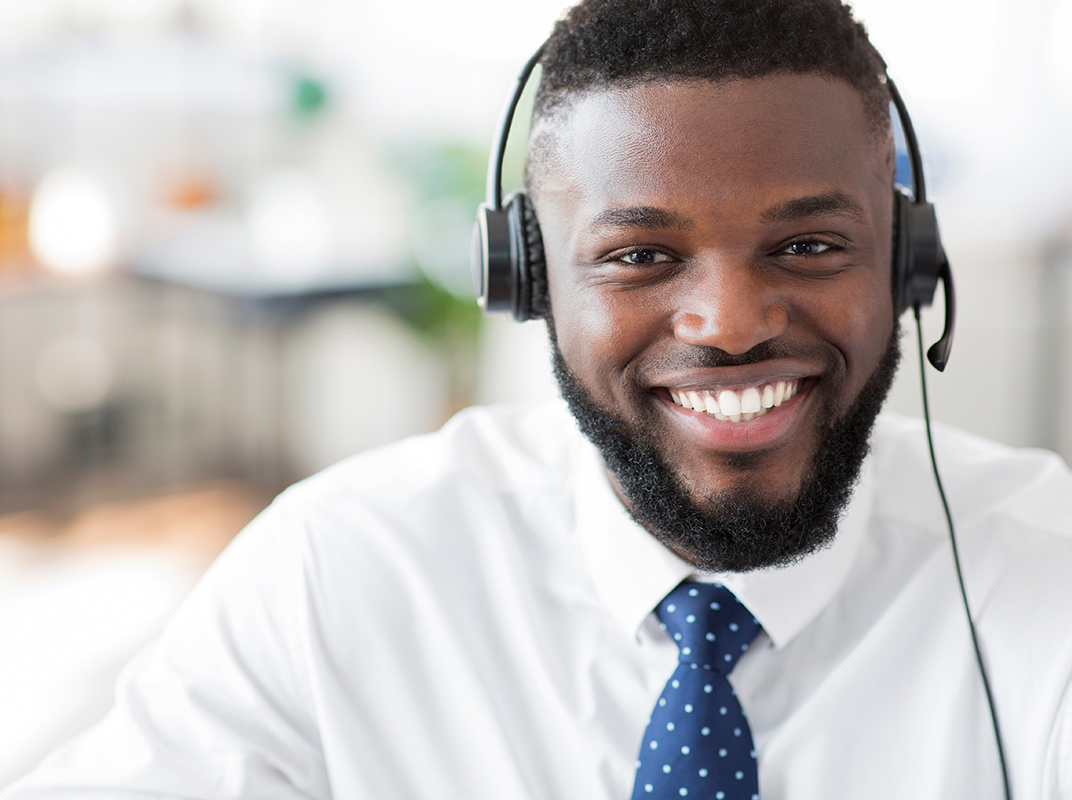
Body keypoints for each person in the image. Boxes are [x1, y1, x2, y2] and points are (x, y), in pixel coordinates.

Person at [6, 0, 1072, 797]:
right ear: (529, 277)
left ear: (905, 266)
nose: (731, 320)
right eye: (641, 253)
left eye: (807, 244)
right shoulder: (340, 571)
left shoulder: (1043, 577)